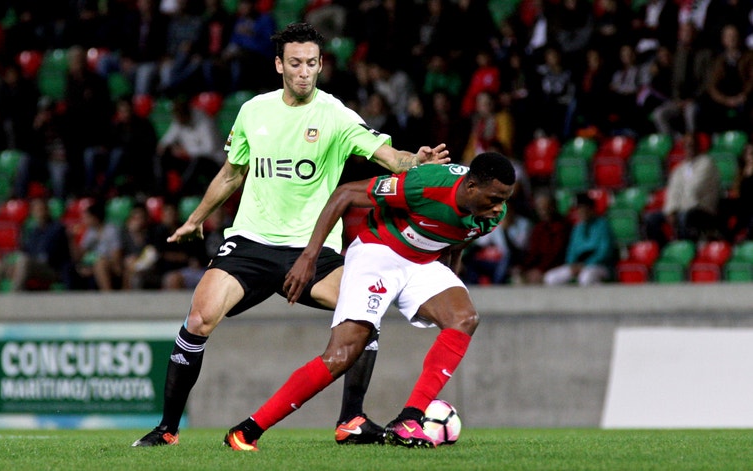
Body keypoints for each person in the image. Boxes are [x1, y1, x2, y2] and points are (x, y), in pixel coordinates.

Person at [131, 22, 450, 447]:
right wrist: (196, 218)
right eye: (296, 63)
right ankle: (167, 430)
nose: (305, 72)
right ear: (280, 64)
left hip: (313, 249)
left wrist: (416, 161)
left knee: (364, 318)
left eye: (313, 64)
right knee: (197, 320)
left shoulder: (336, 115)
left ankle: (351, 420)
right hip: (251, 242)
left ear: (321, 66)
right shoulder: (254, 111)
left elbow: (390, 157)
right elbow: (232, 173)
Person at [223, 152, 516, 451]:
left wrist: (450, 277)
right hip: (378, 253)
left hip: (422, 263)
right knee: (342, 354)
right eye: (493, 198)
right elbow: (345, 193)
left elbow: (457, 237)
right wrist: (309, 256)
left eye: (504, 199)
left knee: (463, 317)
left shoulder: (491, 214)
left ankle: (409, 420)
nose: (498, 208)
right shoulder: (424, 184)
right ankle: (247, 431)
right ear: (470, 187)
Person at [644, 133, 721, 246]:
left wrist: (678, 211)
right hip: (681, 209)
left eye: (692, 145)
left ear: (698, 146)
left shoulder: (706, 163)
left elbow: (695, 189)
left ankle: (685, 247)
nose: (689, 148)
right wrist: (671, 210)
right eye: (687, 145)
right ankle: (664, 250)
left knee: (684, 216)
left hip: (702, 209)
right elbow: (672, 191)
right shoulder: (679, 168)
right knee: (651, 219)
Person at [543, 193, 615, 286]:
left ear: (591, 209)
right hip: (578, 265)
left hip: (600, 265)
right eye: (579, 209)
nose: (581, 212)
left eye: (583, 209)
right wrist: (572, 265)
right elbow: (571, 251)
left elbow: (604, 252)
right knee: (550, 278)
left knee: (586, 277)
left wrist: (586, 264)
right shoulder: (578, 228)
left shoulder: (602, 225)